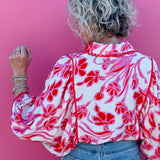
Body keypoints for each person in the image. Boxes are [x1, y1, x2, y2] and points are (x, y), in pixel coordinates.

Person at [9, 0, 160, 160]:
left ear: (86, 20)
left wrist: (19, 76)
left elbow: (34, 121)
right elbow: (156, 125)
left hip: (79, 153)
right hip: (126, 153)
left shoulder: (69, 65)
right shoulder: (145, 65)